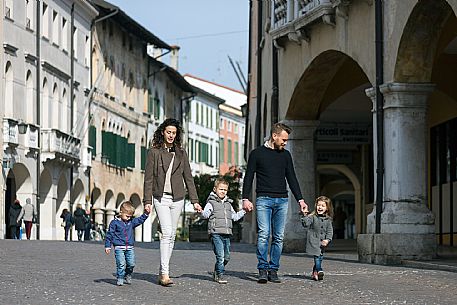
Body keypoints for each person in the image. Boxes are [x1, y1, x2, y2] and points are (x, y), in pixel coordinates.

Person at [242, 122, 308, 283]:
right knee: (264, 234)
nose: (285, 143)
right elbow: (249, 176)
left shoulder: (285, 155)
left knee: (278, 237)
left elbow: (292, 178)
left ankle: (273, 269)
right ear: (274, 136)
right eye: (284, 139)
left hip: (282, 200)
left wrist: (300, 200)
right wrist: (245, 198)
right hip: (263, 199)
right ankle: (262, 268)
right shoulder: (257, 153)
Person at [143, 118, 202, 286]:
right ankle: (165, 273)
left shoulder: (181, 153)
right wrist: (147, 200)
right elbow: (148, 179)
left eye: (174, 133)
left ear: (177, 135)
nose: (171, 135)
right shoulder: (154, 152)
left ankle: (163, 269)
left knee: (172, 237)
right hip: (160, 197)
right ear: (163, 132)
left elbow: (188, 179)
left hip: (177, 198)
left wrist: (195, 201)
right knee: (167, 233)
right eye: (168, 132)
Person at [200, 177, 249, 284]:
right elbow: (206, 215)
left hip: (226, 233)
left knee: (227, 257)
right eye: (221, 189)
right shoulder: (211, 203)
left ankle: (216, 271)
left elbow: (235, 217)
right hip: (215, 233)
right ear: (215, 189)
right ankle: (220, 275)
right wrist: (201, 211)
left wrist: (244, 211)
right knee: (220, 256)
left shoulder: (228, 204)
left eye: (225, 190)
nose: (223, 191)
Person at [105, 201, 151, 286]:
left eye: (130, 216)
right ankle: (120, 277)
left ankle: (128, 274)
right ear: (121, 212)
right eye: (127, 216)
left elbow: (139, 220)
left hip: (129, 247)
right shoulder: (114, 223)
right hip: (119, 247)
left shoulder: (131, 222)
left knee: (131, 264)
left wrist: (146, 214)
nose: (129, 218)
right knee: (121, 264)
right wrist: (108, 246)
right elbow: (109, 234)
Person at [301, 195, 334, 281]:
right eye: (319, 205)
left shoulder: (328, 220)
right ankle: (319, 270)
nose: (320, 207)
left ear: (327, 208)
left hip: (322, 242)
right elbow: (306, 224)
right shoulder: (312, 217)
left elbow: (330, 232)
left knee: (320, 257)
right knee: (317, 256)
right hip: (314, 241)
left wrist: (327, 239)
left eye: (323, 206)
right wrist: (305, 214)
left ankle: (314, 273)